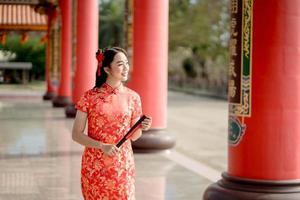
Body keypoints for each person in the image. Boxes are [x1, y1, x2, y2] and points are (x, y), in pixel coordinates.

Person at [72, 47, 152, 200]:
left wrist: (143, 127)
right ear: (107, 68)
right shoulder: (89, 97)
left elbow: (135, 137)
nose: (126, 68)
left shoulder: (133, 97)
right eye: (120, 64)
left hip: (122, 165)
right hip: (95, 165)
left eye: (127, 63)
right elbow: (76, 134)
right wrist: (102, 146)